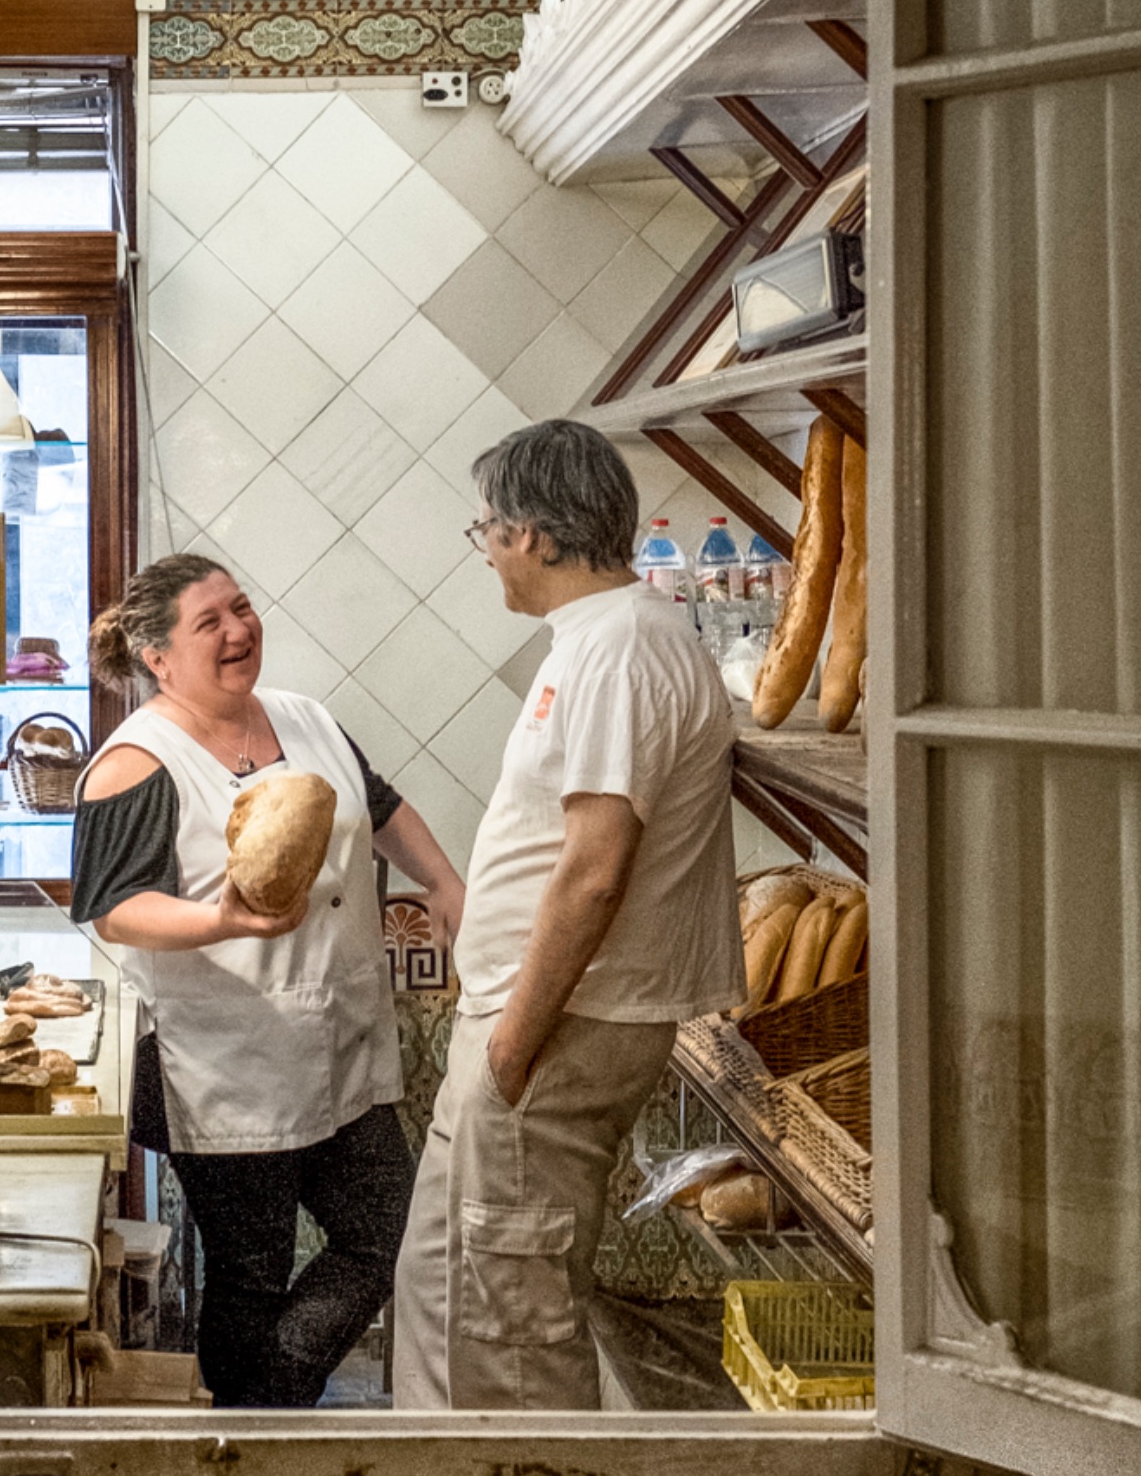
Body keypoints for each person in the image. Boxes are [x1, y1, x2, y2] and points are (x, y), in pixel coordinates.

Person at [392, 419, 744, 1409]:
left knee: (512, 1329)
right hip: (538, 1029)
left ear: (539, 536)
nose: (489, 552)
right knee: (453, 1291)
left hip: (556, 1034)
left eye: (488, 532)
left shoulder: (624, 649)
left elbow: (593, 869)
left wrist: (511, 1046)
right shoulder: (598, 640)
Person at [70, 553, 467, 1408]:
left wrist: (443, 882)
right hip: (228, 1062)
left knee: (391, 1233)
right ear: (157, 657)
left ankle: (269, 1397)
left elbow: (380, 805)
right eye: (208, 622)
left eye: (241, 608)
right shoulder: (138, 759)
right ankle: (256, 1427)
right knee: (250, 1276)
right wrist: (223, 919)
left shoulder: (305, 717)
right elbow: (110, 906)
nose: (239, 630)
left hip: (344, 1044)